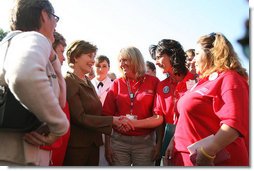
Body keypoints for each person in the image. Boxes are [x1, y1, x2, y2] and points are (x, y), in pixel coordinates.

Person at [0, 0, 69, 165]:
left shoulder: (7, 45)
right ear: (44, 15)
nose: (56, 25)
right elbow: (24, 75)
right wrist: (60, 126)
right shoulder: (33, 38)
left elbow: (60, 101)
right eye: (55, 18)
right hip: (19, 157)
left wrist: (53, 61)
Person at [165, 32, 249, 166]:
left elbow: (235, 123)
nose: (192, 60)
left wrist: (209, 151)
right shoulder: (201, 82)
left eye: (197, 54)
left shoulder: (230, 78)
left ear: (213, 53)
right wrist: (173, 142)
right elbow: (186, 118)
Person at [63, 40, 134, 166]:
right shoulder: (69, 81)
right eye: (89, 56)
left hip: (93, 145)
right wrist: (112, 120)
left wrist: (117, 120)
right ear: (76, 57)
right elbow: (79, 117)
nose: (93, 61)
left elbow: (97, 111)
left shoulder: (87, 81)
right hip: (78, 147)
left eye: (93, 57)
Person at [102, 46, 161, 166]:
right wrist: (107, 146)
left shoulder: (154, 82)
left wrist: (158, 144)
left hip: (145, 143)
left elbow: (159, 116)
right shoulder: (117, 83)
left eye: (125, 60)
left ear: (136, 60)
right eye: (120, 61)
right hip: (119, 143)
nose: (122, 64)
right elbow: (107, 116)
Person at [147, 39, 196, 166]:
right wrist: (159, 145)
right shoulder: (161, 86)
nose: (156, 62)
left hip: (192, 142)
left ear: (172, 55)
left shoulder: (197, 82)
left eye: (159, 57)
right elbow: (160, 119)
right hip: (168, 144)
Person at [40, 31, 70, 166]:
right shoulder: (42, 78)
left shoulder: (56, 79)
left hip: (56, 151)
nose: (63, 58)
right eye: (61, 52)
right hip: (44, 150)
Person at [91, 55, 113, 166]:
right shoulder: (87, 84)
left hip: (110, 132)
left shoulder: (114, 85)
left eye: (104, 66)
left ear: (109, 68)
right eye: (98, 66)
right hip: (92, 130)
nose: (101, 69)